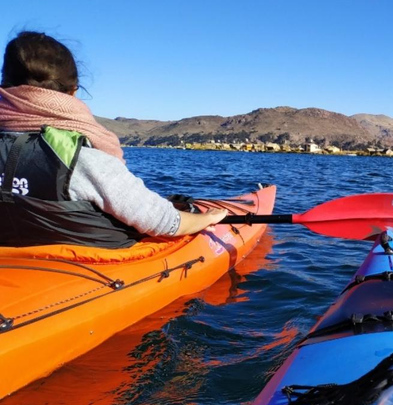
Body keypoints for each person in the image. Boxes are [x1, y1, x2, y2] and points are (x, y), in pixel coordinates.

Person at [0, 31, 228, 248]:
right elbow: (162, 221)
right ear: (73, 92)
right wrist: (206, 219)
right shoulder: (84, 159)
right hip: (86, 270)